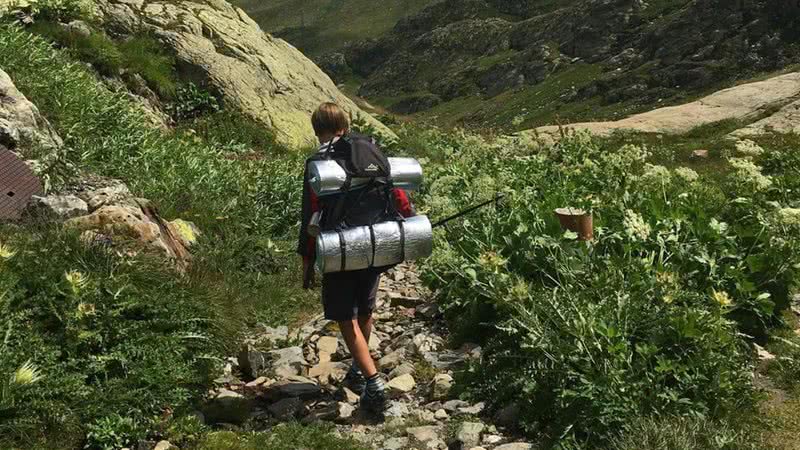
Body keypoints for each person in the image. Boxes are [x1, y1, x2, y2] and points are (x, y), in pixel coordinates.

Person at [297, 103, 415, 415]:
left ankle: (373, 382)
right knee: (365, 308)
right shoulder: (372, 152)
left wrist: (308, 261)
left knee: (344, 316)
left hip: (342, 247)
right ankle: (358, 372)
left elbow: (311, 214)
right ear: (345, 126)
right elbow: (397, 194)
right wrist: (409, 223)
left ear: (317, 130)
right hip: (379, 242)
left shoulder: (319, 162)